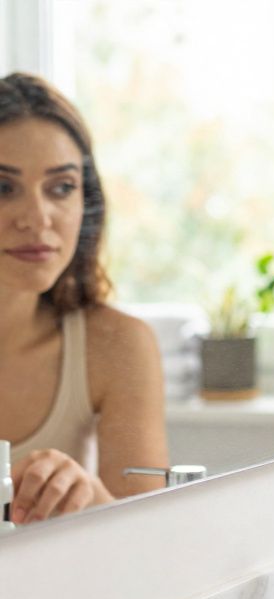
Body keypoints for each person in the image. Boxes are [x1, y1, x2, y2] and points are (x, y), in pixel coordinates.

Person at [0, 72, 167, 524]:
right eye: (3, 188)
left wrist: (90, 500)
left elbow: (150, 547)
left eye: (61, 187)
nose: (37, 218)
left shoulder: (117, 345)